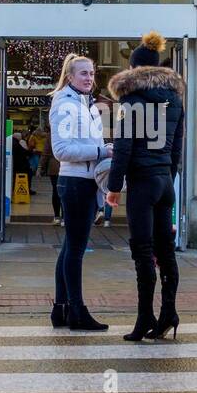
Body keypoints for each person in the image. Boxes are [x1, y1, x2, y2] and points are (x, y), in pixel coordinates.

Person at [106, 32, 185, 342]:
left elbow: (123, 146)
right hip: (165, 181)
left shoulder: (130, 99)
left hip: (142, 182)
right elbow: (177, 148)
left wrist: (113, 187)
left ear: (133, 69)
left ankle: (144, 319)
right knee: (166, 252)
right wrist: (169, 177)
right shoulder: (175, 99)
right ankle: (169, 312)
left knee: (142, 252)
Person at [49, 53, 113, 331]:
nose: (90, 78)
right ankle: (77, 311)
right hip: (75, 183)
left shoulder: (83, 104)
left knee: (69, 249)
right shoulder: (65, 104)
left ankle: (61, 309)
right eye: (84, 73)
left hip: (84, 182)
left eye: (92, 73)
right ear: (70, 76)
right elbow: (61, 150)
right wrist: (102, 150)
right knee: (75, 250)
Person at [43, 130, 62, 224]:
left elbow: (46, 152)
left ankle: (57, 217)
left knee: (56, 191)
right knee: (66, 192)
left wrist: (40, 166)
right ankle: (65, 218)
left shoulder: (51, 134)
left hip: (54, 166)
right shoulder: (71, 131)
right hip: (68, 166)